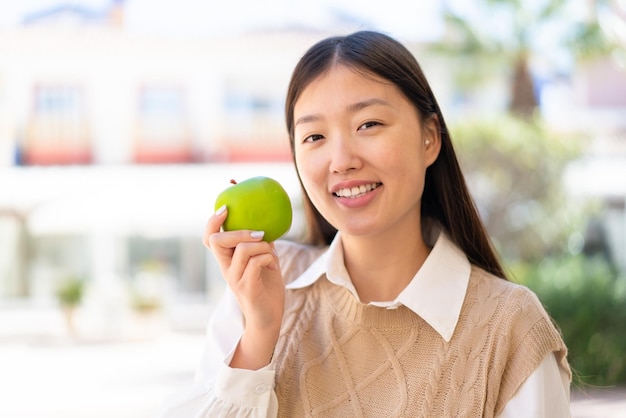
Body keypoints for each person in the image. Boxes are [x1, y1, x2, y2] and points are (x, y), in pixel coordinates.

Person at [157, 30, 571, 417]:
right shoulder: (261, 288)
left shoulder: (509, 327)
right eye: (314, 137)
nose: (341, 160)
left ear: (430, 138)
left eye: (368, 124)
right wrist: (261, 334)